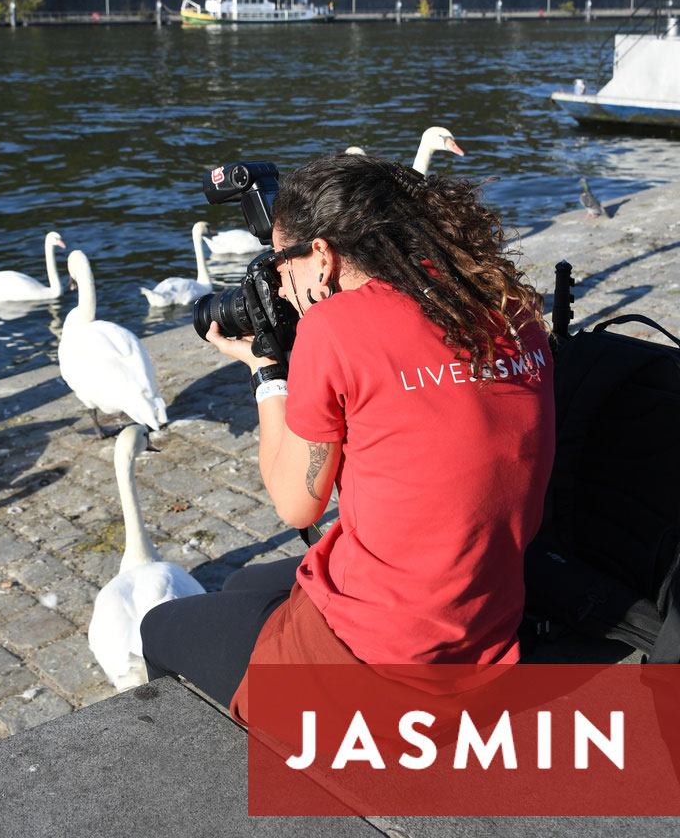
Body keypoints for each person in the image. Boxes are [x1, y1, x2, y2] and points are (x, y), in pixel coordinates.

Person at [140, 153, 555, 723]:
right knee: (243, 580)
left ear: (323, 255)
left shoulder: (334, 329)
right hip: (483, 626)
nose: (281, 287)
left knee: (160, 626)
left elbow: (297, 503)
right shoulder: (507, 306)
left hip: (385, 660)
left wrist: (267, 374)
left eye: (281, 262)